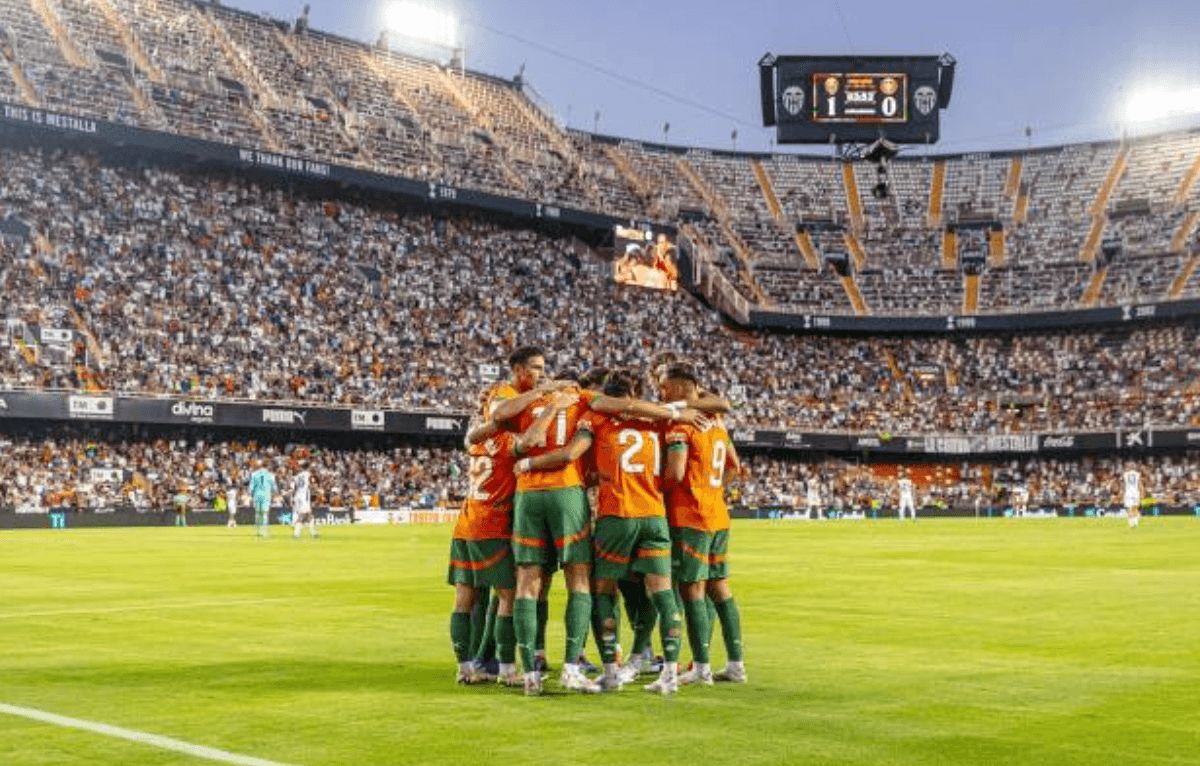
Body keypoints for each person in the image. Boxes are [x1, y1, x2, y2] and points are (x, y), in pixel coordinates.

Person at [492, 347, 706, 695]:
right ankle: (594, 668)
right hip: (604, 501)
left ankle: (533, 672)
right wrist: (674, 410)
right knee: (589, 582)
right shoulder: (598, 405)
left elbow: (500, 418)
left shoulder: (530, 401)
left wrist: (529, 460)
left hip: (537, 497)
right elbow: (623, 409)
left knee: (529, 584)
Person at [659, 363, 746, 687]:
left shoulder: (683, 426)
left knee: (691, 589)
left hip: (690, 516)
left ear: (682, 388)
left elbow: (676, 472)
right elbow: (735, 467)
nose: (661, 393)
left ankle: (702, 667)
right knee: (719, 586)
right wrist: (713, 492)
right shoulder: (719, 423)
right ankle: (736, 664)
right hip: (717, 515)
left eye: (665, 387)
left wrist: (658, 491)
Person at [249, 460, 277, 538]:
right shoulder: (271, 475)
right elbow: (274, 486)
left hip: (257, 495)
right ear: (268, 466)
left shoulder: (254, 474)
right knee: (265, 513)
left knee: (258, 513)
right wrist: (276, 492)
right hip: (266, 495)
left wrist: (250, 494)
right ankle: (264, 531)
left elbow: (251, 487)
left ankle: (258, 531)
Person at [292, 462, 318, 539]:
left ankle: (313, 533)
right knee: (302, 515)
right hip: (304, 497)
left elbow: (295, 487)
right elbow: (312, 484)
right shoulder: (309, 475)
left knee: (309, 515)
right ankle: (296, 534)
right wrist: (316, 491)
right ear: (308, 467)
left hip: (298, 496)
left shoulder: (297, 476)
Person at [1121, 464, 1144, 528]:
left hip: (1128, 493)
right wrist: (1142, 493)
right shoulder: (1138, 474)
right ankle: (1135, 524)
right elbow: (1140, 485)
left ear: (1128, 467)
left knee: (1129, 509)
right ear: (1134, 467)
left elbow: (1123, 486)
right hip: (1136, 493)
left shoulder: (1125, 474)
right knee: (1135, 508)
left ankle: (1131, 525)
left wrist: (1122, 494)